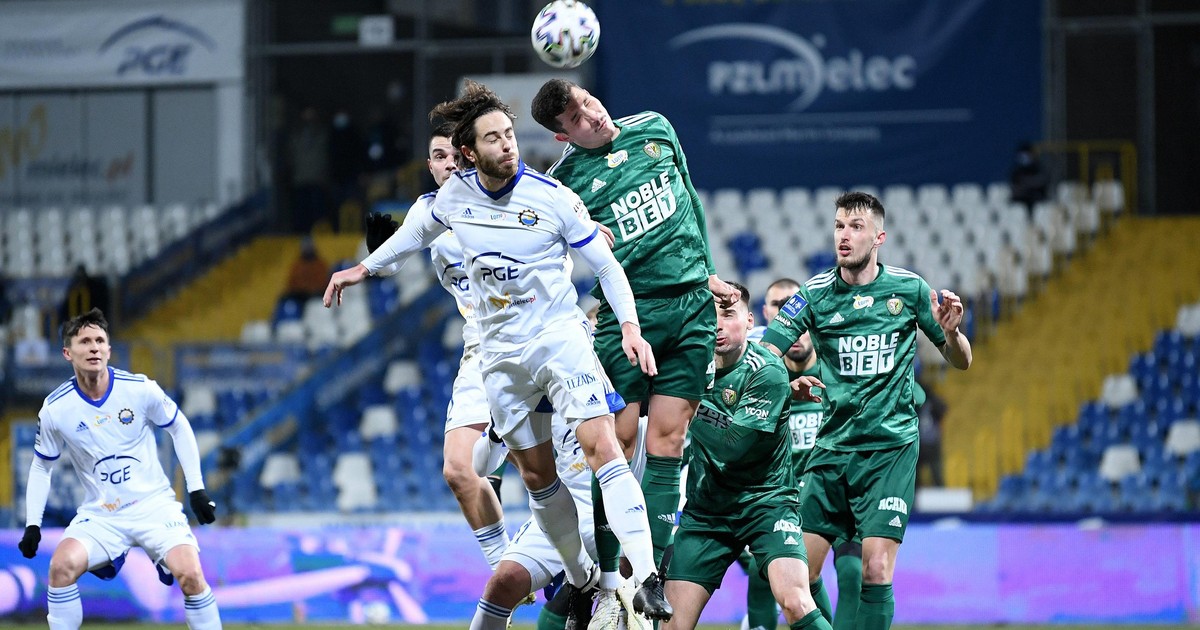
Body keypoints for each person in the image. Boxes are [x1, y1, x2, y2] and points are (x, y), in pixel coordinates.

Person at [324, 79, 671, 625]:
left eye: (510, 135)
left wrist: (628, 325)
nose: (508, 145)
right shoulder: (452, 200)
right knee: (535, 478)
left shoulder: (553, 197)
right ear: (470, 153)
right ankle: (581, 579)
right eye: (494, 139)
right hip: (499, 354)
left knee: (604, 446)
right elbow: (410, 237)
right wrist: (362, 270)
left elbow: (605, 265)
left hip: (559, 337)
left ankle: (645, 577)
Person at [531, 79, 740, 595]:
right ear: (562, 137)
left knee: (670, 439)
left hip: (692, 306)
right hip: (632, 315)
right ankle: (604, 583)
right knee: (616, 444)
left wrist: (708, 271)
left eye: (587, 101)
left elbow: (689, 198)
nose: (591, 115)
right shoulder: (565, 184)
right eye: (575, 119)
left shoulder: (656, 128)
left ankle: (647, 575)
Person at [758, 192, 973, 630]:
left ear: (879, 237)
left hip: (889, 452)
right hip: (832, 451)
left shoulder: (908, 289)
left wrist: (953, 335)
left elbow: (962, 360)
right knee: (796, 578)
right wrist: (781, 379)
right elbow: (764, 354)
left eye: (855, 227)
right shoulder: (814, 294)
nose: (844, 235)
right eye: (839, 225)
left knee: (874, 571)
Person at [365, 122, 513, 571]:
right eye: (438, 156)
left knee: (560, 474)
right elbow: (391, 262)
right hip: (482, 349)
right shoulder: (427, 210)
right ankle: (508, 568)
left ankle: (596, 574)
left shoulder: (506, 196)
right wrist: (378, 249)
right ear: (430, 166)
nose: (448, 163)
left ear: (470, 156)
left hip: (540, 341)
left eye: (455, 154)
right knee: (458, 469)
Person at [18, 308, 222, 630]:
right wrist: (33, 525)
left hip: (153, 506)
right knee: (60, 567)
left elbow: (179, 427)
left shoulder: (140, 389)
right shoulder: (56, 409)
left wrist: (196, 489)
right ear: (68, 353)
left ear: (109, 350)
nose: (94, 347)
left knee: (191, 574)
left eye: (100, 340)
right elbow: (42, 467)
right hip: (102, 515)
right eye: (85, 341)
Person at [662, 282, 831, 630]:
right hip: (707, 510)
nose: (718, 325)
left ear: (750, 321)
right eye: (710, 316)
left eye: (728, 314)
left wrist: (684, 400)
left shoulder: (767, 370)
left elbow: (732, 445)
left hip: (766, 503)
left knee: (797, 602)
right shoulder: (688, 366)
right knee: (672, 624)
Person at [282, 236, 331, 302]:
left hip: (316, 294)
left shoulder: (320, 265)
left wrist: (310, 288)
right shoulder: (297, 265)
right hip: (300, 294)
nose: (307, 249)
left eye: (309, 247)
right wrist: (302, 288)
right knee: (284, 298)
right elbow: (292, 283)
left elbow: (323, 283)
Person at [1008, 141, 1048, 219]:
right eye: (1022, 155)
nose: (1024, 157)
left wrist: (1028, 183)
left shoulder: (1038, 168)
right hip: (1021, 200)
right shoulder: (1017, 171)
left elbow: (1042, 181)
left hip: (1036, 199)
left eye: (1026, 155)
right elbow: (1015, 188)